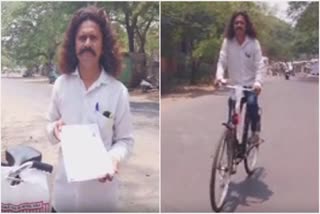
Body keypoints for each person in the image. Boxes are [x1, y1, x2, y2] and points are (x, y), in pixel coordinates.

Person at [46, 6, 134, 212]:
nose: (87, 43)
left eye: (93, 38)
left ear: (103, 45)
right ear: (73, 44)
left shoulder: (117, 91)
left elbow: (125, 140)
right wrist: (55, 130)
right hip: (64, 197)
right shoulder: (61, 84)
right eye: (82, 38)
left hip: (101, 199)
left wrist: (112, 159)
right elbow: (48, 126)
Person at [215, 11, 265, 146]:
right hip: (235, 86)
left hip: (250, 85)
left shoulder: (254, 43)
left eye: (242, 23)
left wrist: (258, 83)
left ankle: (255, 132)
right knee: (232, 117)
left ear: (246, 25)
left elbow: (260, 65)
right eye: (236, 23)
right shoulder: (227, 42)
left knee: (252, 104)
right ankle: (233, 144)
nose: (239, 25)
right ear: (232, 25)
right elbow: (222, 61)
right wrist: (219, 77)